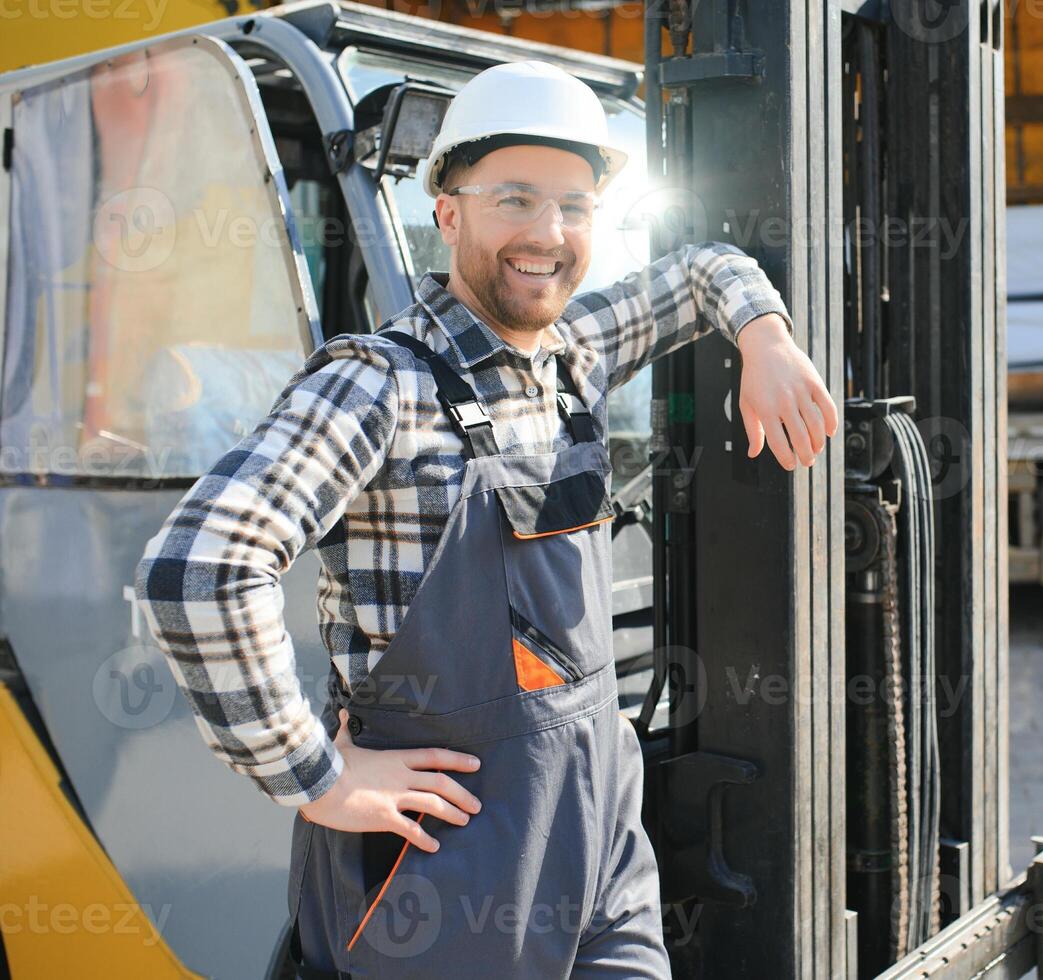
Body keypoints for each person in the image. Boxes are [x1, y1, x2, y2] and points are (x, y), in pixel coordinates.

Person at [133, 60, 838, 978]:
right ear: (450, 214)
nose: (548, 233)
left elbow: (708, 269)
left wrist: (765, 336)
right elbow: (199, 570)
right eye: (514, 199)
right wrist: (313, 775)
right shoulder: (378, 382)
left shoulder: (573, 355)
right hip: (443, 876)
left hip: (597, 849)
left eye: (575, 206)